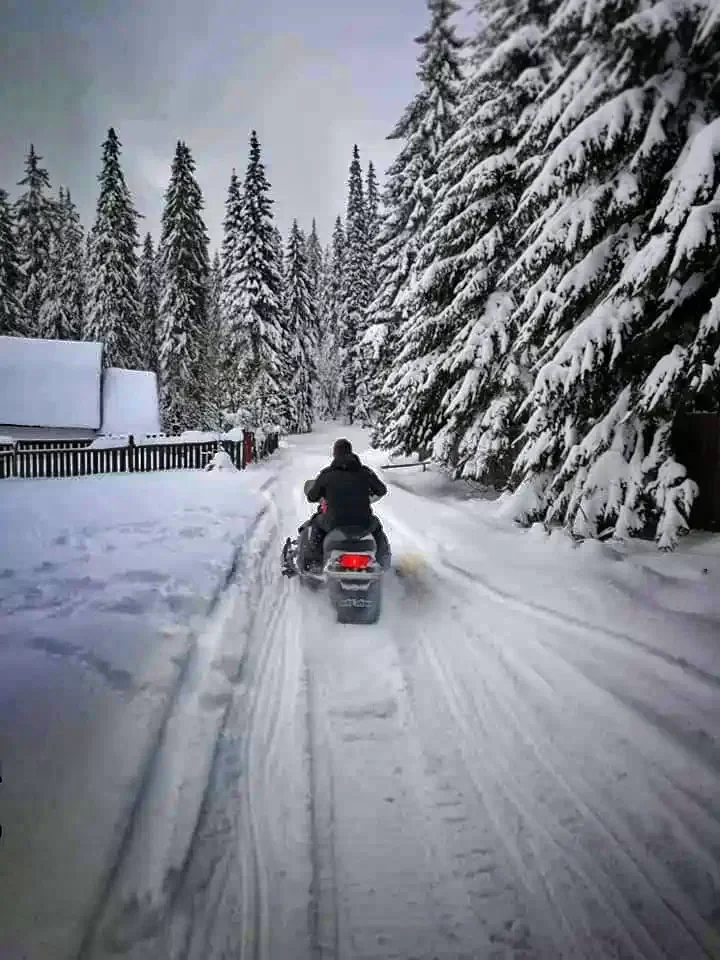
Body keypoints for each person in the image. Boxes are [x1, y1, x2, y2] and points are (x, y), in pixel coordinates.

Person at [303, 438, 391, 568]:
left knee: (316, 523)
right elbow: (382, 490)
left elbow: (312, 496)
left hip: (334, 522)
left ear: (335, 454)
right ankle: (382, 559)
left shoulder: (327, 474)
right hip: (363, 521)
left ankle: (314, 560)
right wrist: (368, 492)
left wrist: (322, 494)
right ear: (350, 452)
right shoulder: (365, 472)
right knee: (376, 526)